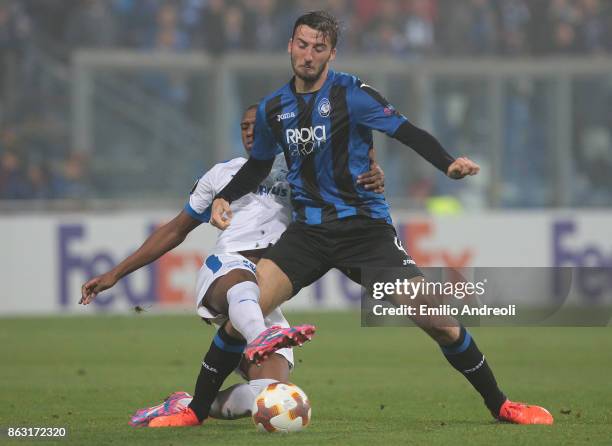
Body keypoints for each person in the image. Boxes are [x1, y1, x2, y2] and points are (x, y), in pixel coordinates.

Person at [161, 10, 551, 427]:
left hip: (365, 231)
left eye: (318, 47)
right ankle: (195, 412)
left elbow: (406, 131)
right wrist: (224, 196)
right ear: (290, 45)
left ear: (331, 53)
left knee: (439, 322)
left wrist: (447, 163)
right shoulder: (275, 107)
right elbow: (257, 167)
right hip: (309, 233)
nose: (308, 55)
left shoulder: (354, 94)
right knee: (247, 312)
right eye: (302, 44)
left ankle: (502, 405)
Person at [80, 103, 386, 427]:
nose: (250, 131)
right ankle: (259, 336)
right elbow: (175, 230)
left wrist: (373, 174)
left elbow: (349, 175)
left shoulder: (303, 175)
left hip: (268, 282)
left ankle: (189, 403)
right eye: (244, 127)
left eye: (257, 125)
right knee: (243, 285)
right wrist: (115, 273)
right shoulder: (222, 174)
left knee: (272, 395)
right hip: (226, 268)